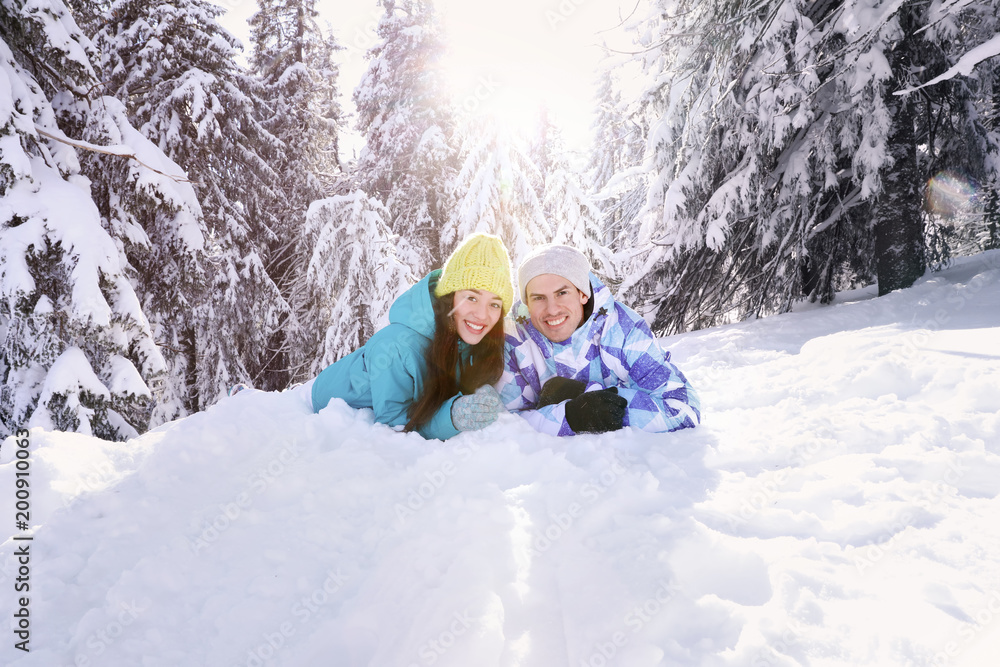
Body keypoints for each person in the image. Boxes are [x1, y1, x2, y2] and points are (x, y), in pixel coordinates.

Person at [310, 233, 513, 440]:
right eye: (471, 297)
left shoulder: (467, 333)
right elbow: (394, 426)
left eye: (494, 304)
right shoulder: (396, 347)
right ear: (450, 296)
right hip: (336, 402)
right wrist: (453, 416)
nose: (482, 315)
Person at [497, 244, 700, 436]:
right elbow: (504, 422)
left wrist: (597, 401)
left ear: (582, 293)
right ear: (527, 303)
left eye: (562, 293)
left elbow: (682, 408)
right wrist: (570, 416)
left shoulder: (624, 331)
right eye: (538, 298)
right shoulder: (515, 342)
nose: (552, 309)